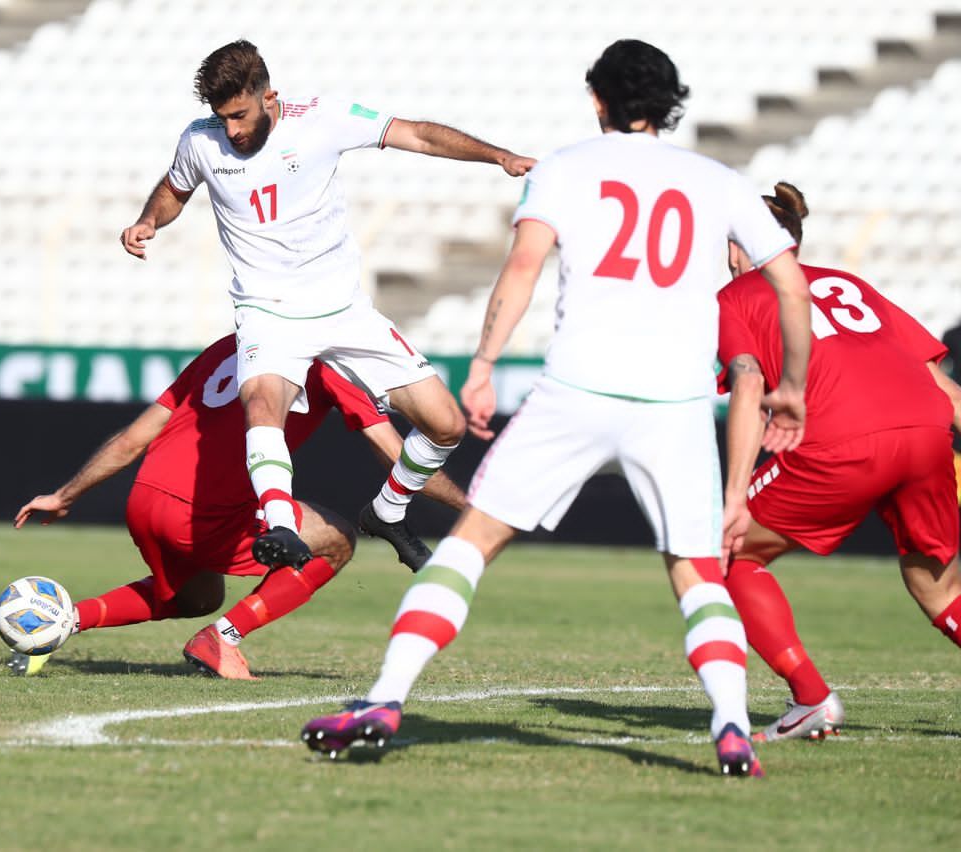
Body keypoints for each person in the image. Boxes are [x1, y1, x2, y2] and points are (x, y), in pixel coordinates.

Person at [302, 39, 814, 777]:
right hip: (673, 397)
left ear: (598, 100)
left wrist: (482, 366)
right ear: (669, 104)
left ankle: (384, 700)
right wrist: (790, 384)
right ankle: (732, 726)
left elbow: (521, 266)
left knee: (471, 545)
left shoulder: (567, 167)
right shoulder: (717, 180)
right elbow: (791, 287)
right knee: (697, 572)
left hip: (578, 386)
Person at [120, 40, 533, 574]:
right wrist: (150, 220)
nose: (233, 132)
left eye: (241, 116)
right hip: (267, 311)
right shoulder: (201, 142)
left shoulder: (322, 119)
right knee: (263, 404)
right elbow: (174, 190)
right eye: (222, 120)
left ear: (269, 97)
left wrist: (498, 156)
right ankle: (280, 525)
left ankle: (387, 510)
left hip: (344, 312)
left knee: (445, 425)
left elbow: (418, 134)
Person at [11, 334, 466, 678]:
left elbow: (133, 438)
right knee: (337, 539)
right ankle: (223, 639)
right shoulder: (324, 364)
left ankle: (60, 623)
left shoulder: (226, 348)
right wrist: (472, 506)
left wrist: (65, 494)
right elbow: (394, 453)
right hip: (202, 516)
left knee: (199, 597)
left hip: (145, 501)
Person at [718, 182, 961, 741]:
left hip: (838, 439)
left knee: (728, 552)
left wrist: (734, 497)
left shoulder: (735, 298)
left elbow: (750, 384)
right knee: (939, 588)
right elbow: (945, 393)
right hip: (926, 432)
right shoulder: (852, 284)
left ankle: (810, 698)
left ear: (737, 245)